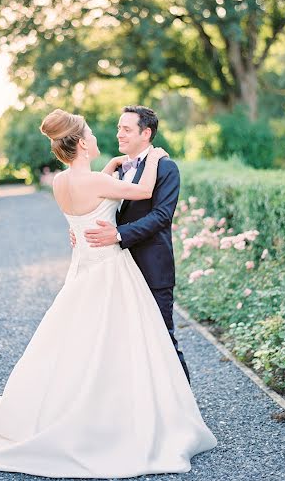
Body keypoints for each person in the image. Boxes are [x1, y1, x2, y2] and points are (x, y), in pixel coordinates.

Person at [0, 108, 217, 478]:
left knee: (85, 343)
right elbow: (142, 192)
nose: (111, 135)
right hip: (110, 268)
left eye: (124, 128)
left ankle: (105, 407)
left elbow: (98, 206)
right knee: (121, 341)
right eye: (100, 132)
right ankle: (128, 417)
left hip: (88, 267)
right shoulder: (115, 176)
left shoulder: (61, 182)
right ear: (83, 142)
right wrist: (156, 156)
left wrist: (119, 168)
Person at [72, 105, 190, 382]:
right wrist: (80, 229)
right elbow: (95, 205)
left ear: (146, 133)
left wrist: (118, 235)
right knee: (124, 345)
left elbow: (161, 216)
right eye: (118, 128)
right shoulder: (115, 169)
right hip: (116, 272)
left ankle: (184, 406)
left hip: (152, 269)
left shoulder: (165, 168)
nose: (119, 134)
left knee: (162, 340)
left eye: (126, 129)